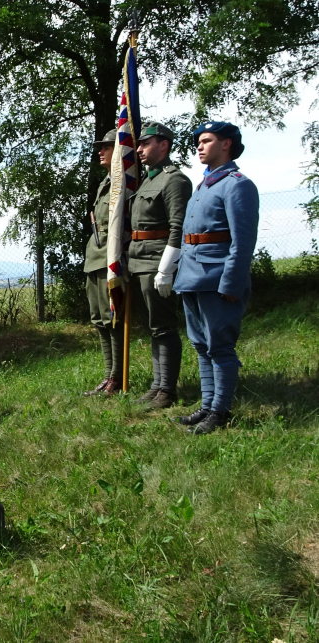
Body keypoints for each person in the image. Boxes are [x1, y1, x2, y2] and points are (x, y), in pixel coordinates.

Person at [174, 121, 259, 435]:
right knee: (200, 345)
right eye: (198, 141)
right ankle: (208, 405)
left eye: (206, 140)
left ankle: (221, 412)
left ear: (226, 144)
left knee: (220, 346)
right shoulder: (204, 185)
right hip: (193, 278)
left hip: (217, 277)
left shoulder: (237, 184)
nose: (199, 145)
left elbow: (243, 240)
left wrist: (232, 282)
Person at [130, 121, 193, 409]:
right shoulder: (148, 179)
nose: (139, 149)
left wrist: (167, 268)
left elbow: (178, 226)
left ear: (163, 144)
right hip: (140, 260)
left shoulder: (174, 180)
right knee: (155, 326)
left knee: (164, 326)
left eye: (145, 144)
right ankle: (157, 385)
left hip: (158, 260)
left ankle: (167, 390)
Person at [83, 129, 125, 397]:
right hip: (95, 258)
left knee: (113, 320)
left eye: (107, 147)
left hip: (110, 260)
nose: (100, 151)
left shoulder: (124, 184)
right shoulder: (105, 183)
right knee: (100, 320)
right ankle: (108, 375)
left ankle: (117, 377)